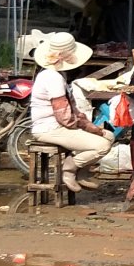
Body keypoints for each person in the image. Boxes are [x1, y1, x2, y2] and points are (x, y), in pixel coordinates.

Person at [27, 30, 113, 193]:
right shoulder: (53, 78)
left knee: (109, 135)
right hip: (50, 128)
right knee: (102, 145)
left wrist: (89, 126)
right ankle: (69, 169)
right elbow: (64, 117)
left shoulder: (58, 75)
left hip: (60, 125)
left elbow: (72, 109)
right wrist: (87, 127)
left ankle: (82, 173)